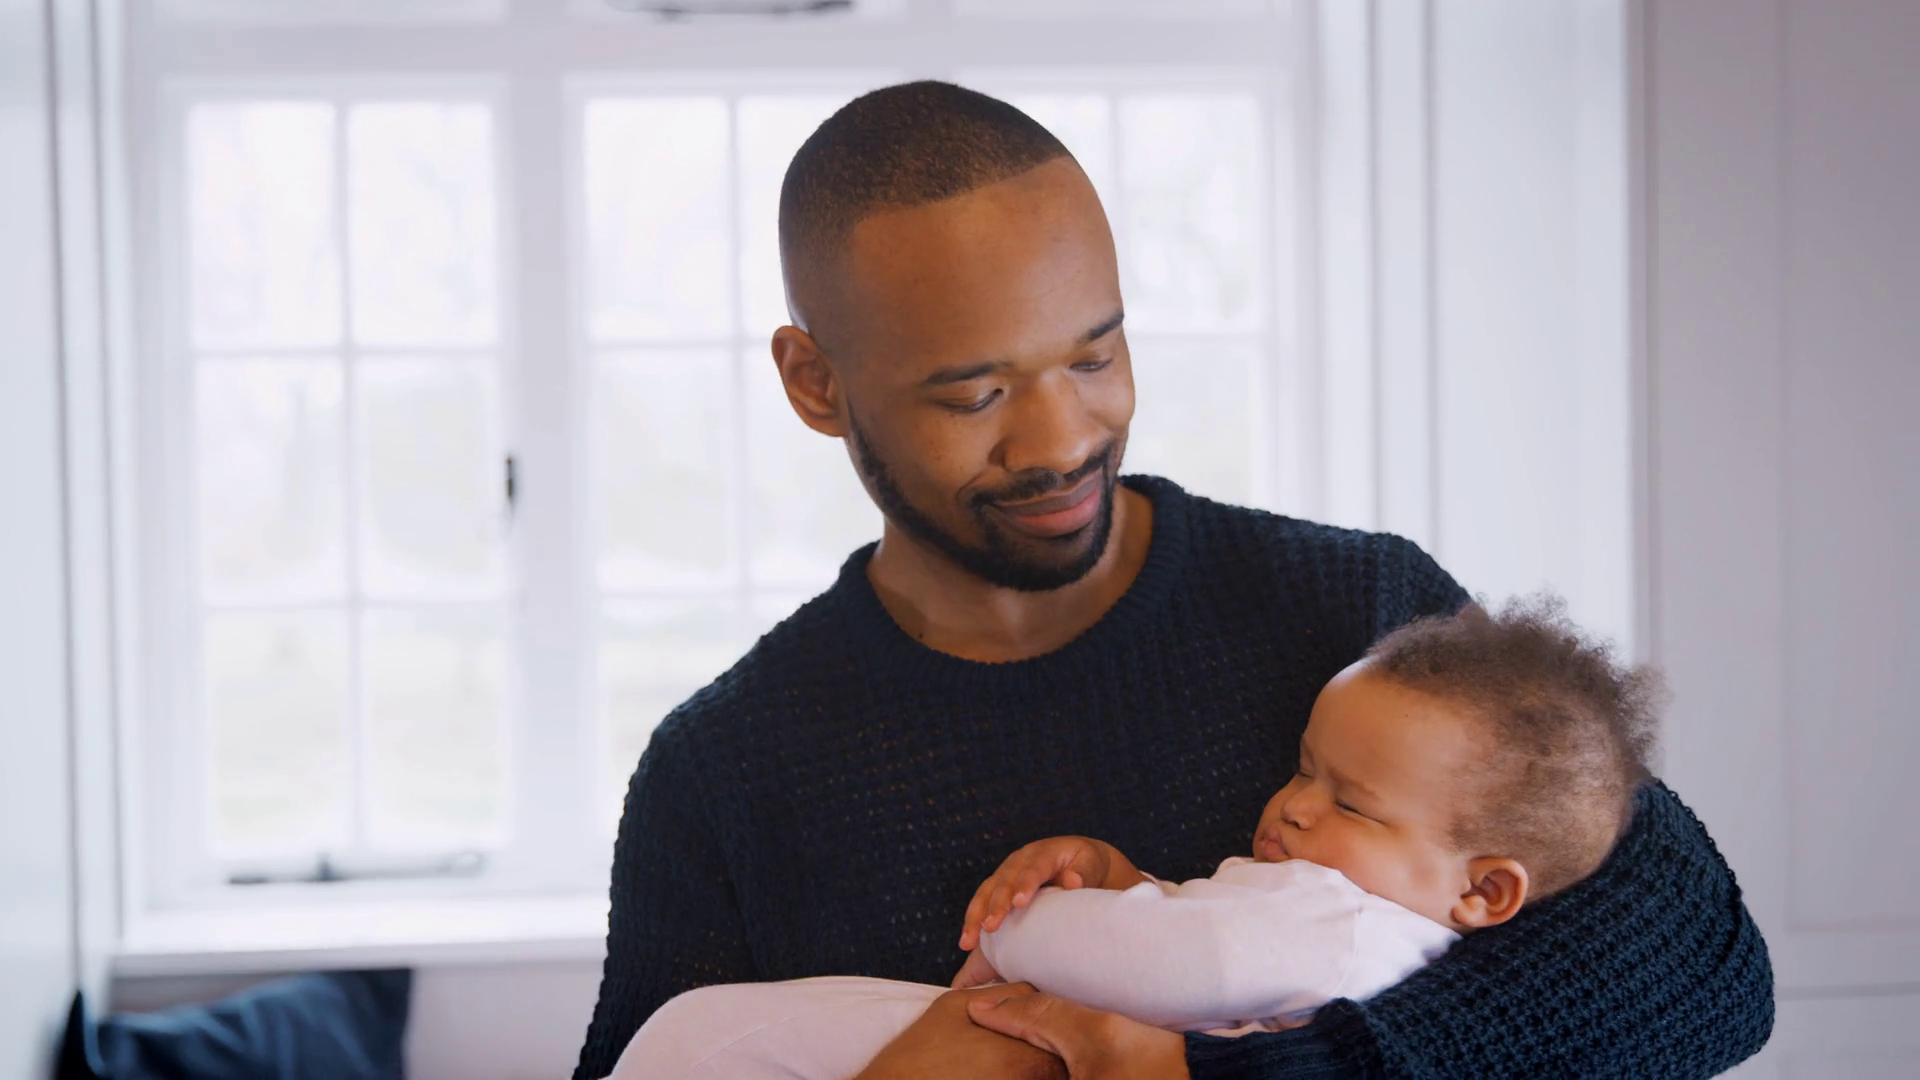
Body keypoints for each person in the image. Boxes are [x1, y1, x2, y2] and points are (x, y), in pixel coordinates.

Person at [572, 81, 1773, 1080]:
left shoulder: (1359, 616)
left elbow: (1709, 971)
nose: (1059, 440)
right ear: (815, 383)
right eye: (974, 393)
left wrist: (1204, 1076)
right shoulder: (724, 771)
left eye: (1095, 353)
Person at [605, 597, 1667, 1079]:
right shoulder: (1361, 928)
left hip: (998, 1027)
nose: (1294, 809)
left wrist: (1035, 928)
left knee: (698, 1041)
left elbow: (1164, 959)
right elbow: (1200, 955)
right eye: (1303, 768)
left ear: (1486, 892)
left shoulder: (1343, 926)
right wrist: (1133, 880)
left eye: (1351, 802)